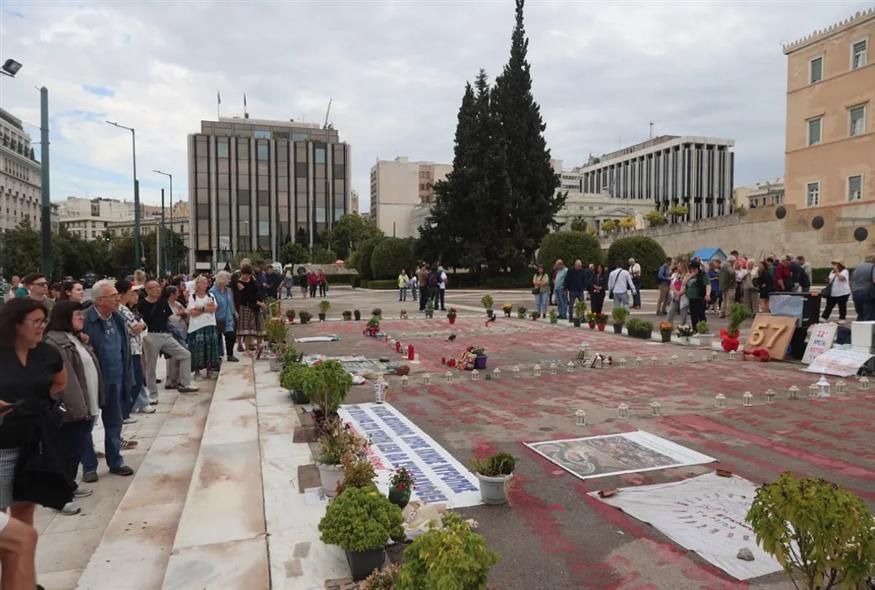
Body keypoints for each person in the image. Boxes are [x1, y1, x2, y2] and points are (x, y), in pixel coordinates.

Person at [0, 298, 66, 590]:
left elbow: (59, 382)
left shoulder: (47, 354)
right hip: (2, 446)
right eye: (36, 322)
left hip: (34, 443)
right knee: (5, 522)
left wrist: (39, 405)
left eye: (44, 321)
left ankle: (22, 578)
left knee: (24, 509)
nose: (42, 327)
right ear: (16, 323)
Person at [44, 301, 103, 515]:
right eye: (77, 314)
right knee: (66, 453)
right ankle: (59, 497)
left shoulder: (73, 338)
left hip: (86, 404)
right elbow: (66, 382)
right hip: (72, 409)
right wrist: (77, 409)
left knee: (75, 451)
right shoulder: (55, 343)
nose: (82, 318)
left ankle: (70, 485)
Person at [80, 280, 135, 482]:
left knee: (114, 422)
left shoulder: (118, 318)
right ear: (101, 300)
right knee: (87, 424)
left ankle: (116, 461)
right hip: (92, 382)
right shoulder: (85, 320)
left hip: (116, 378)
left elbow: (125, 349)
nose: (118, 298)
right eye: (113, 296)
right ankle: (88, 466)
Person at [139, 280, 199, 403]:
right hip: (151, 336)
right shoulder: (142, 305)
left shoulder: (163, 303)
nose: (157, 289)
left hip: (166, 335)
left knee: (185, 354)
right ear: (147, 290)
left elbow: (170, 318)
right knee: (151, 367)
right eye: (153, 287)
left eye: (158, 287)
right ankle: (153, 395)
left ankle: (184, 384)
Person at [116, 281, 153, 418]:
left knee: (137, 379)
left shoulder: (128, 309)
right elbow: (135, 328)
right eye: (132, 292)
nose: (135, 295)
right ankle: (125, 412)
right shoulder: (121, 310)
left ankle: (131, 408)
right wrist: (141, 327)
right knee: (135, 380)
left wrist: (141, 326)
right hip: (131, 350)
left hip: (136, 347)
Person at [188, 275, 220, 380]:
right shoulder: (192, 297)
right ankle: (197, 371)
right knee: (197, 348)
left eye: (206, 283)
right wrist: (206, 308)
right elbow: (192, 312)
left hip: (210, 324)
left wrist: (201, 308)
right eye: (203, 283)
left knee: (210, 348)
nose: (205, 285)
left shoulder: (210, 295)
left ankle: (209, 370)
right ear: (198, 284)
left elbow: (214, 309)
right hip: (197, 326)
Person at [235, 263, 266, 355]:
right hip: (246, 306)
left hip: (257, 305)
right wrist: (259, 303)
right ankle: (247, 349)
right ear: (242, 273)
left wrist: (262, 302)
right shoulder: (239, 283)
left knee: (259, 327)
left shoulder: (253, 279)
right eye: (244, 274)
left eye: (248, 274)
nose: (246, 276)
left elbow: (258, 290)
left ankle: (259, 348)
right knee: (247, 329)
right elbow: (248, 296)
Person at [209, 271, 238, 363]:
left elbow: (231, 302)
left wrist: (234, 312)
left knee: (231, 335)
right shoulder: (212, 291)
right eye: (228, 279)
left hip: (228, 317)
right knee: (217, 338)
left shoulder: (228, 290)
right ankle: (217, 356)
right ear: (222, 280)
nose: (229, 281)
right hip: (218, 318)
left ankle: (230, 355)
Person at [683, 261, 711, 327]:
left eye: (693, 268)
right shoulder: (689, 274)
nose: (691, 270)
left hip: (700, 297)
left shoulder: (703, 275)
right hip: (691, 298)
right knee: (693, 315)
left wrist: (708, 294)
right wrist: (691, 275)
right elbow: (684, 282)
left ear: (697, 268)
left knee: (701, 314)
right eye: (691, 268)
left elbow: (708, 284)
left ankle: (703, 328)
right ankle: (695, 329)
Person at [850, 253, 875, 321]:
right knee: (869, 314)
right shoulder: (873, 266)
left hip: (855, 292)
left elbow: (851, 281)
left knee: (860, 314)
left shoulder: (857, 267)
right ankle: (869, 331)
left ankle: (858, 330)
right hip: (868, 293)